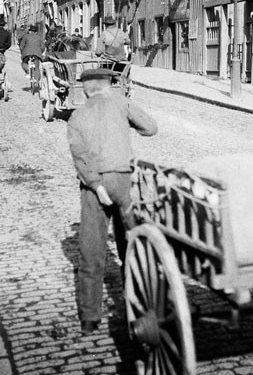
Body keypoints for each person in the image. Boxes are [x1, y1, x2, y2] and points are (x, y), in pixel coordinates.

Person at [67, 68, 158, 336]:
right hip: (124, 182)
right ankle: (137, 310)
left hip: (94, 189)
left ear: (85, 89)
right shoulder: (121, 103)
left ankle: (89, 318)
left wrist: (96, 185)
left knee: (92, 252)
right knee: (131, 246)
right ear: (107, 86)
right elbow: (150, 128)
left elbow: (79, 155)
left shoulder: (77, 116)